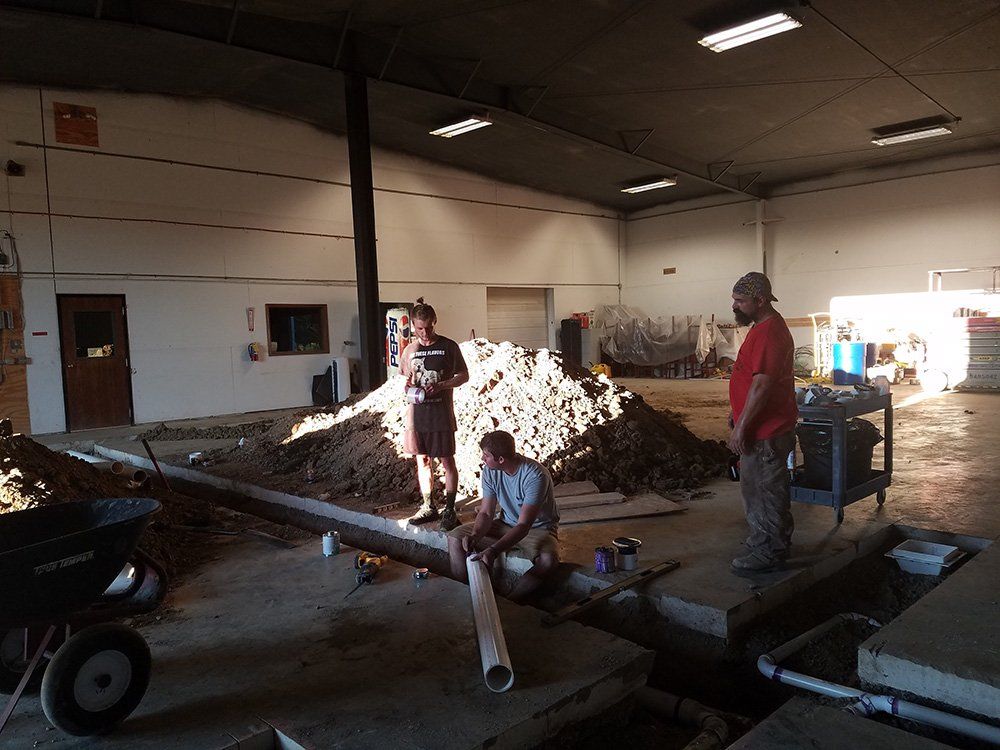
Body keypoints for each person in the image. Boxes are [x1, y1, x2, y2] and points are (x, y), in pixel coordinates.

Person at [728, 272, 798, 573]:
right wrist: (738, 412)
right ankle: (765, 542)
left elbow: (762, 386)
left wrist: (743, 427)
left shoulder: (770, 333)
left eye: (741, 301)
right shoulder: (761, 328)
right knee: (757, 489)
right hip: (760, 426)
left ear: (760, 300)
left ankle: (769, 552)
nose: (735, 306)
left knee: (765, 491)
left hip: (766, 431)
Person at [447, 430, 560, 604]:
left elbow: (523, 525)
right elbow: (485, 512)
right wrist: (475, 535)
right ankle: (468, 595)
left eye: (486, 456)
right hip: (505, 523)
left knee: (548, 561)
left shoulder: (535, 476)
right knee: (455, 538)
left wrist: (493, 551)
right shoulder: (490, 471)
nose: (483, 459)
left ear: (501, 459)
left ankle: (509, 602)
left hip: (537, 530)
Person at [401, 298, 469, 531]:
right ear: (413, 325)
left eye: (428, 327)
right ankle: (428, 505)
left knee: (447, 460)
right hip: (416, 417)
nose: (425, 332)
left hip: (441, 415)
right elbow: (406, 380)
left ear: (435, 322)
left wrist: (442, 385)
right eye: (420, 328)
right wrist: (408, 386)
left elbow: (463, 376)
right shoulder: (409, 350)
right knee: (423, 459)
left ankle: (449, 509)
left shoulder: (449, 346)